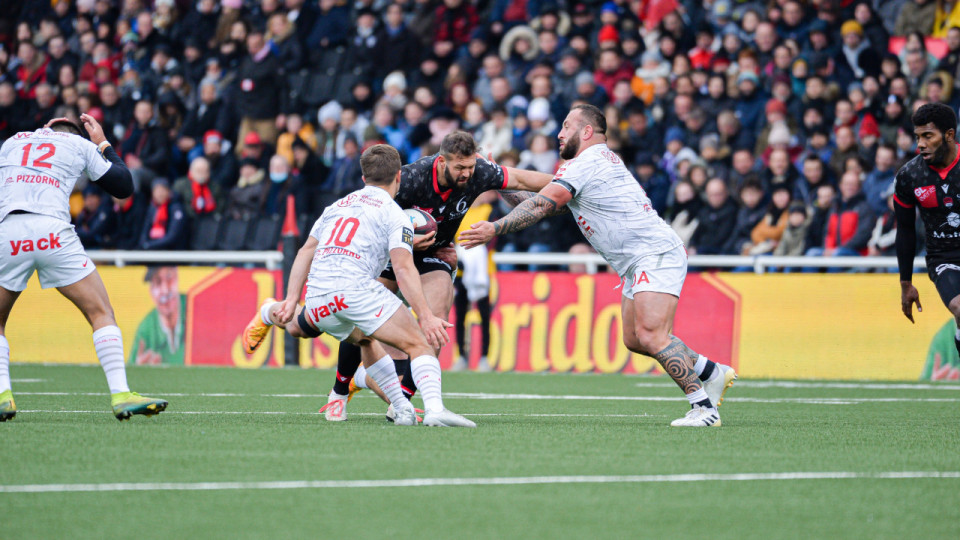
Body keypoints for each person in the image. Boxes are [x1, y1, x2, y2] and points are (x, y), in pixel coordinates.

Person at [460, 104, 737, 427]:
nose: (559, 133)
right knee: (635, 339)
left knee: (652, 335)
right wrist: (498, 179)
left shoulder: (586, 163)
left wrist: (494, 227)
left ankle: (703, 408)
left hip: (654, 254)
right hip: (637, 261)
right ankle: (711, 372)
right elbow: (537, 200)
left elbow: (540, 205)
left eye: (566, 126)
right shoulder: (589, 165)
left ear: (587, 131)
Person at [243, 144, 474, 427]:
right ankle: (435, 410)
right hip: (355, 291)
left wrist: (292, 299)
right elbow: (403, 268)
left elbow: (305, 251)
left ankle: (270, 311)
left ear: (364, 178)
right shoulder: (395, 214)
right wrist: (425, 315)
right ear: (399, 176)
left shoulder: (336, 206)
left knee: (352, 337)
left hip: (318, 294)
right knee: (420, 344)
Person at [0, 115, 167, 422]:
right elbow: (124, 186)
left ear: (46, 127)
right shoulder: (79, 144)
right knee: (100, 312)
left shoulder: (12, 142)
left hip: (9, 229)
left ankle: (2, 396)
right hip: (52, 231)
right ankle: (121, 395)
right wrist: (102, 143)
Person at [896, 103, 960, 360]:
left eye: (928, 136)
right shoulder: (909, 176)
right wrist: (906, 282)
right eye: (918, 137)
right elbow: (905, 230)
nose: (920, 144)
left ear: (949, 135)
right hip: (944, 257)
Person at [129, 266, 186, 365]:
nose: (165, 290)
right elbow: (130, 368)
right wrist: (139, 369)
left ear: (177, 277)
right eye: (157, 282)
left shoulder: (195, 307)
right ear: (151, 291)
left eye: (169, 278)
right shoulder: (145, 329)